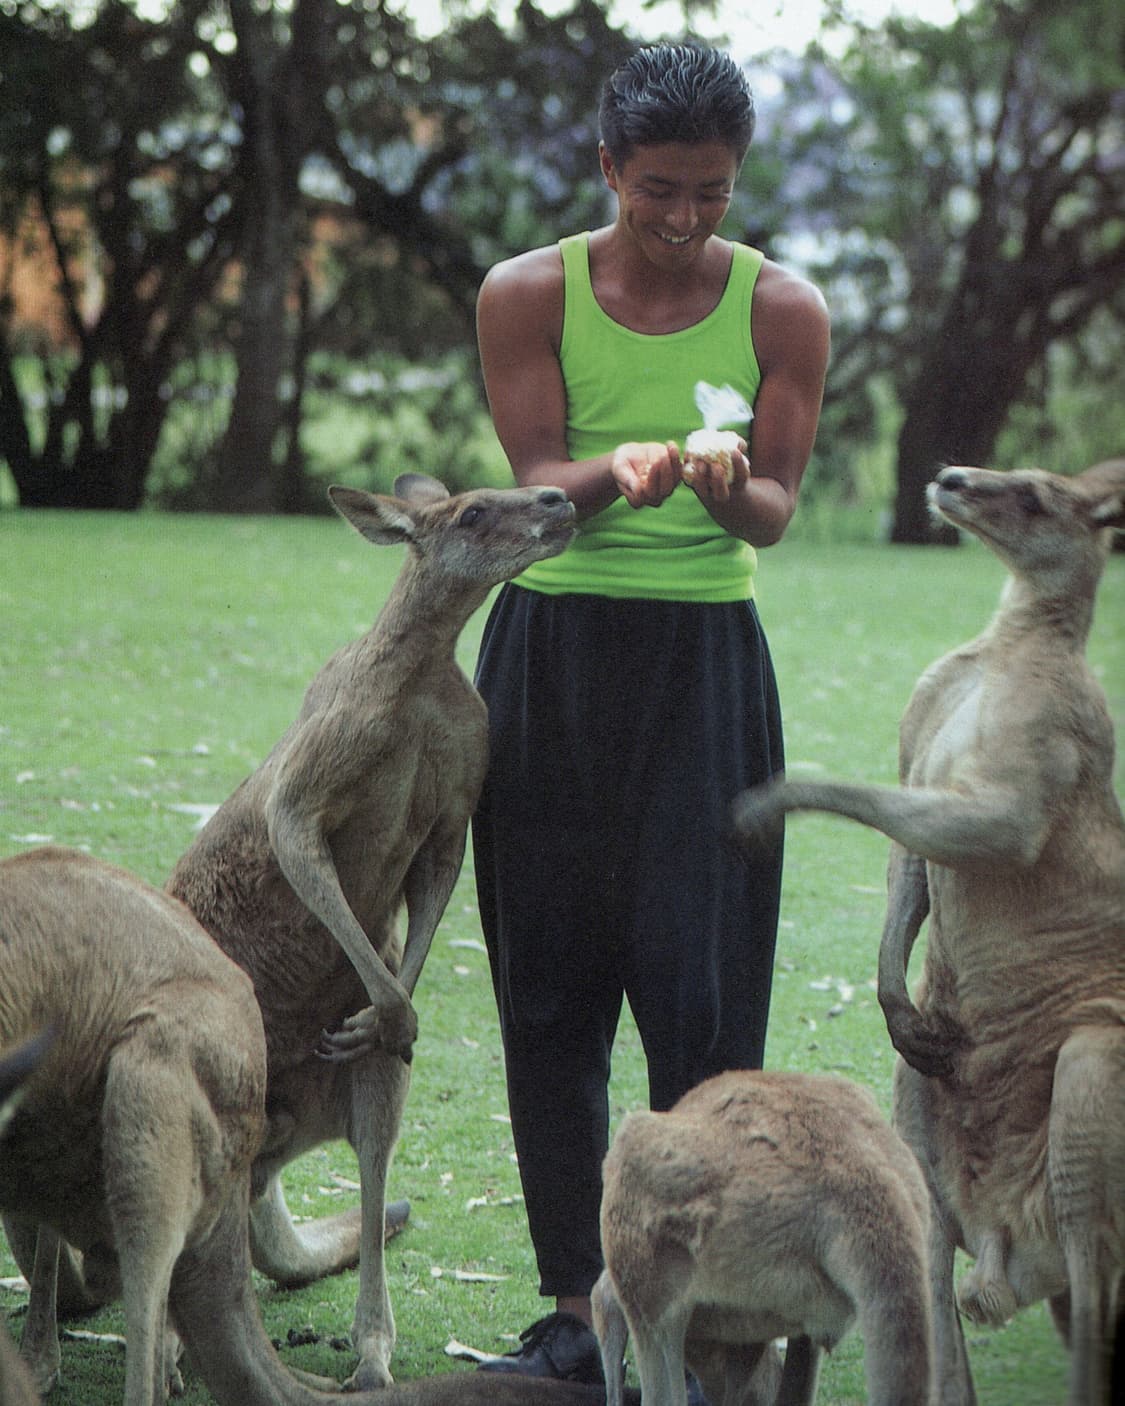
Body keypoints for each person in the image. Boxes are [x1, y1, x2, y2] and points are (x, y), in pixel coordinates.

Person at [471, 42, 830, 1386]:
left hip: (706, 671)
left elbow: (776, 513)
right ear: (607, 167)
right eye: (658, 191)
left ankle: (706, 1293)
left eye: (713, 194)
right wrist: (617, 476)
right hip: (550, 658)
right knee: (548, 983)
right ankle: (575, 1300)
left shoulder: (781, 308)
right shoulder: (526, 294)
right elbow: (532, 484)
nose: (684, 223)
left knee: (703, 989)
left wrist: (723, 486)